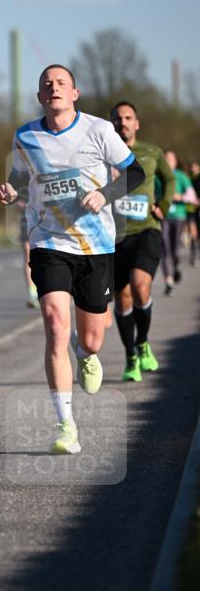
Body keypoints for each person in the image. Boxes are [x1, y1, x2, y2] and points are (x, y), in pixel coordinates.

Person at [0, 65, 145, 455]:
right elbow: (20, 179)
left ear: (74, 93)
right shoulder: (26, 136)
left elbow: (136, 173)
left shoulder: (97, 130)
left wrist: (106, 193)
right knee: (55, 324)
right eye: (47, 84)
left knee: (92, 338)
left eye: (61, 83)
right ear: (40, 96)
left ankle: (86, 354)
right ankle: (66, 426)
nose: (53, 88)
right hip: (49, 242)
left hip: (95, 247)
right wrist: (12, 192)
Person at [110, 102, 175, 382]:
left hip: (147, 229)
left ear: (136, 123)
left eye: (128, 118)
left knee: (140, 284)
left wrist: (164, 203)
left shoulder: (151, 152)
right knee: (122, 297)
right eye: (117, 118)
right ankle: (131, 356)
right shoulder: (102, 153)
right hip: (114, 236)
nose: (123, 122)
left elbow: (169, 179)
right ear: (110, 124)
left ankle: (144, 342)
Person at [161, 150, 193, 295]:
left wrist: (177, 197)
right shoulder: (158, 176)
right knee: (165, 248)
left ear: (175, 161)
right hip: (163, 216)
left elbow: (191, 195)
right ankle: (169, 281)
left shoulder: (181, 176)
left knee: (175, 250)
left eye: (170, 159)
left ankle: (176, 266)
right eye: (165, 159)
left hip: (179, 216)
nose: (168, 162)